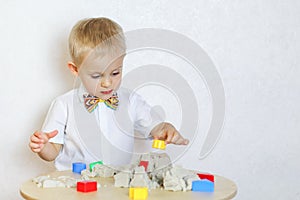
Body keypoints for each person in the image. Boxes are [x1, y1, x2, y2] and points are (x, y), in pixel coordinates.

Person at [29, 17, 189, 170]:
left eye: (115, 73)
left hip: (116, 186)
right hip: (74, 186)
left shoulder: (131, 101)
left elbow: (155, 127)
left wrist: (166, 129)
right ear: (75, 70)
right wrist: (43, 147)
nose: (107, 83)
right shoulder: (63, 105)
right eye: (96, 76)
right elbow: (53, 152)